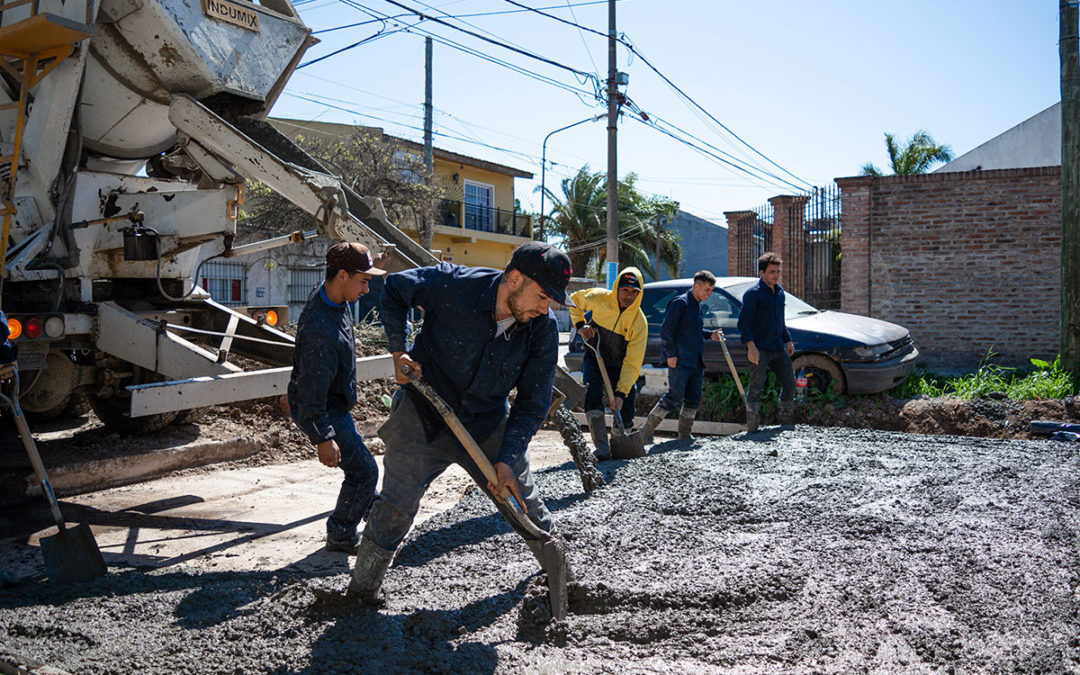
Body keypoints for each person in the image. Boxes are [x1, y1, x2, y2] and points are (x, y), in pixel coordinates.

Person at [347, 241, 573, 606]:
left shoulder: (541, 330)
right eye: (543, 296)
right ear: (514, 279)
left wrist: (507, 457)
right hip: (423, 413)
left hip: (486, 423)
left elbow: (533, 403)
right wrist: (398, 349)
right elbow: (393, 291)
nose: (545, 309)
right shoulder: (452, 284)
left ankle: (563, 580)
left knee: (522, 501)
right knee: (395, 506)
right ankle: (359, 594)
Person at [287, 242, 385, 554]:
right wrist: (323, 437)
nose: (367, 289)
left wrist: (370, 262)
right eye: (364, 281)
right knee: (365, 472)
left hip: (335, 404)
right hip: (325, 410)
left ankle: (374, 512)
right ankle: (341, 533)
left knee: (362, 468)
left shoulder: (331, 294)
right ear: (342, 275)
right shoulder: (321, 331)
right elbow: (310, 392)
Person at [568, 267, 648, 460]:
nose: (629, 296)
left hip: (620, 365)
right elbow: (573, 300)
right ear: (617, 288)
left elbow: (633, 362)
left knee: (626, 403)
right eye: (625, 290)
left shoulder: (639, 323)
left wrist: (620, 393)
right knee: (592, 395)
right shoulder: (599, 298)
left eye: (634, 292)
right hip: (595, 356)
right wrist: (580, 325)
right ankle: (602, 447)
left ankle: (620, 442)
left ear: (639, 293)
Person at [640, 270, 722, 441]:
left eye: (711, 290)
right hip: (681, 360)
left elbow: (695, 331)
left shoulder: (698, 305)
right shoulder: (680, 303)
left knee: (694, 398)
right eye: (707, 290)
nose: (709, 294)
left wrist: (710, 335)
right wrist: (671, 354)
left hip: (695, 360)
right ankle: (646, 431)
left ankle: (684, 435)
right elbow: (666, 330)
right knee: (674, 396)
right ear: (697, 286)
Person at [738, 251, 796, 432]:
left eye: (778, 271)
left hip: (778, 346)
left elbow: (781, 320)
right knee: (755, 388)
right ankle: (753, 430)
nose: (776, 275)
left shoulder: (779, 293)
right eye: (772, 272)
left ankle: (785, 424)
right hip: (759, 349)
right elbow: (744, 323)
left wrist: (788, 340)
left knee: (790, 383)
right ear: (762, 273)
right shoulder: (753, 294)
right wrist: (751, 347)